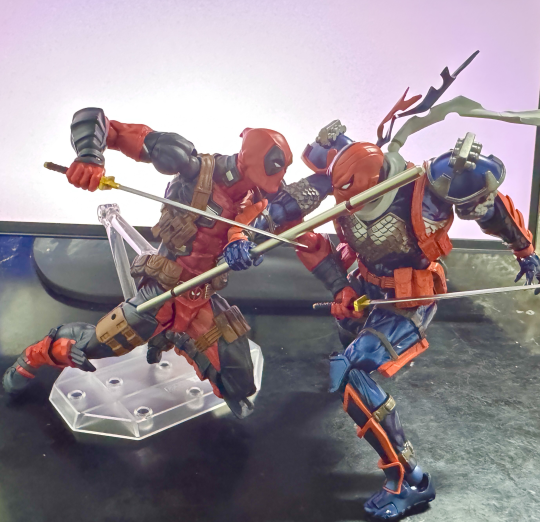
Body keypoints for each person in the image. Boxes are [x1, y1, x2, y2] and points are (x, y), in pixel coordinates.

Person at [3, 108, 332, 417]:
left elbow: (303, 222)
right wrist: (90, 157)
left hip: (201, 295)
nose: (271, 187)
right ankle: (35, 354)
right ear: (247, 163)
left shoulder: (264, 196)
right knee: (94, 346)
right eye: (268, 176)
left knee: (239, 384)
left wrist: (337, 180)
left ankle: (178, 336)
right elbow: (102, 123)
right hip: (163, 289)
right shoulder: (194, 167)